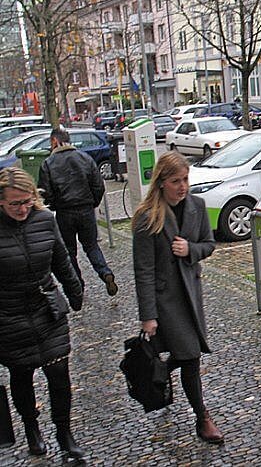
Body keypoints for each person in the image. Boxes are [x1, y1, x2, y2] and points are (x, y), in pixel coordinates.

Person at [131, 151, 223, 444]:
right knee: (190, 357)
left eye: (185, 179)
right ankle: (203, 418)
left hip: (191, 298)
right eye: (175, 181)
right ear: (161, 183)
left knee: (183, 355)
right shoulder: (148, 218)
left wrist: (190, 251)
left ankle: (161, 376)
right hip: (165, 302)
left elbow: (209, 244)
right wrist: (148, 316)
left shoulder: (197, 205)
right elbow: (143, 271)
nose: (182, 187)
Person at [0, 167, 85, 459]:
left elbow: (62, 260)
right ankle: (31, 429)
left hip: (48, 310)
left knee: (59, 374)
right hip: (9, 318)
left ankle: (64, 433)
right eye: (15, 203)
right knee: (21, 377)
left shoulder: (46, 220)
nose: (22, 208)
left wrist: (75, 293)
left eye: (27, 201)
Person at [38, 126, 117, 296]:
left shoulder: (48, 163)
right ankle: (105, 272)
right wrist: (92, 203)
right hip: (86, 209)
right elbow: (98, 185)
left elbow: (45, 192)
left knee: (69, 251)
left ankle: (78, 284)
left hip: (64, 212)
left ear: (54, 141)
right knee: (91, 246)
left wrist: (54, 205)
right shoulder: (85, 158)